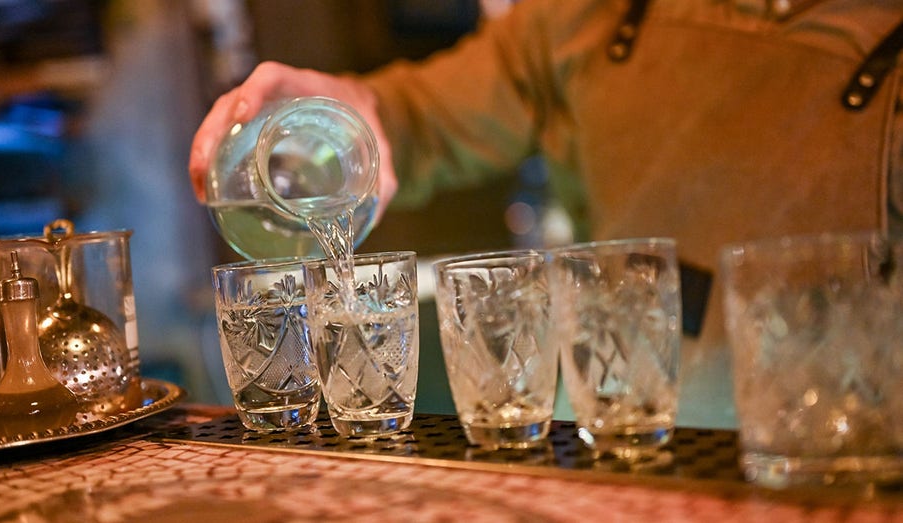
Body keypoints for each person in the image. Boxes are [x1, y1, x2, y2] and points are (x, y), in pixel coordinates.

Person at [189, 0, 903, 428]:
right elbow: (419, 118)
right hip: (615, 454)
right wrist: (356, 108)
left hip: (848, 467)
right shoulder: (594, 13)